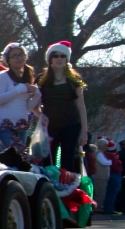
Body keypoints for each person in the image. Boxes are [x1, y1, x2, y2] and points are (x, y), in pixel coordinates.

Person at [37, 41, 88, 172]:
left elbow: (81, 106)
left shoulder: (74, 80)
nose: (59, 59)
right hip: (50, 127)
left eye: (62, 56)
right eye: (55, 56)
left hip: (71, 125)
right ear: (50, 59)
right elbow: (34, 104)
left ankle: (69, 190)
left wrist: (84, 131)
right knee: (48, 161)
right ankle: (50, 189)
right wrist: (40, 115)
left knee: (68, 161)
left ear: (66, 58)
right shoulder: (42, 80)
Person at [0, 42, 41, 153]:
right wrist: (18, 90)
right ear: (8, 60)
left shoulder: (27, 77)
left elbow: (27, 107)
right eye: (14, 56)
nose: (18, 58)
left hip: (21, 127)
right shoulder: (3, 76)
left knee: (19, 161)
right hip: (5, 127)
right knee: (7, 159)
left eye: (20, 54)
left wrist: (37, 94)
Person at [103, 139, 122, 214]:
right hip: (115, 175)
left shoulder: (105, 154)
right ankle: (109, 209)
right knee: (113, 193)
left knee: (110, 193)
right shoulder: (112, 156)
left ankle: (108, 208)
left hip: (110, 175)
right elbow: (115, 167)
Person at [93, 138, 112, 212]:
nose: (107, 147)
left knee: (102, 193)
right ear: (101, 145)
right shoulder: (99, 153)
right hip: (100, 176)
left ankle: (99, 207)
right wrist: (110, 161)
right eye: (105, 145)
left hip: (103, 177)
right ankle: (97, 208)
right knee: (100, 193)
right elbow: (104, 162)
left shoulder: (101, 153)